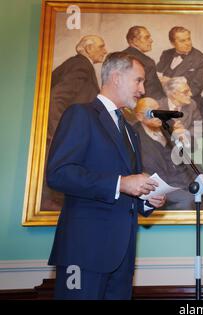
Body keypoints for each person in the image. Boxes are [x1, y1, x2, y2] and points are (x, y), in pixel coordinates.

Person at [47, 52, 166, 299]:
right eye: (139, 80)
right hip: (84, 253)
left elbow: (129, 187)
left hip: (122, 257)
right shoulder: (81, 114)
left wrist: (147, 198)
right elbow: (59, 174)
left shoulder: (131, 133)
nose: (143, 89)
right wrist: (121, 183)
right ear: (116, 77)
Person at [42, 35, 108, 211]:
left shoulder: (78, 64)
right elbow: (56, 98)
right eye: (101, 47)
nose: (105, 51)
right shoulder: (80, 65)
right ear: (87, 49)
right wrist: (57, 133)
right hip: (63, 135)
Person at [133, 97, 203, 210]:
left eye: (158, 110)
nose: (158, 115)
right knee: (190, 201)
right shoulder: (134, 136)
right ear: (139, 116)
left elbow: (192, 147)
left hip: (187, 176)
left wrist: (184, 136)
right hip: (166, 187)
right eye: (152, 113)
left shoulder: (168, 124)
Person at [156, 26, 203, 104]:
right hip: (165, 101)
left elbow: (196, 89)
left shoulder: (201, 59)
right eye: (182, 41)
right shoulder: (166, 54)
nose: (188, 43)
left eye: (189, 39)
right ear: (172, 43)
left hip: (187, 103)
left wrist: (170, 81)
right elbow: (157, 76)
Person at [122, 26, 165, 100]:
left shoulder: (118, 57)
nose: (151, 40)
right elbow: (153, 92)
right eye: (146, 37)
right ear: (135, 41)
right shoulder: (147, 62)